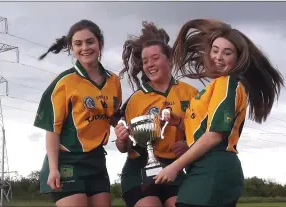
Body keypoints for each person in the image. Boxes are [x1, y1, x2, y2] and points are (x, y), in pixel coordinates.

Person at [154, 19, 285, 207]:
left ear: (238, 58)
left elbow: (215, 135)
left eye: (227, 52)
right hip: (203, 169)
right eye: (215, 50)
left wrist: (175, 166)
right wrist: (178, 122)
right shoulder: (216, 85)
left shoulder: (228, 83)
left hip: (214, 168)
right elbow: (205, 127)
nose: (218, 57)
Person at [33, 19, 122, 207]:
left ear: (100, 44)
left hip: (97, 160)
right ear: (72, 48)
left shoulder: (114, 81)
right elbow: (52, 129)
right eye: (78, 44)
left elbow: (112, 116)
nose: (85, 48)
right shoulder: (63, 82)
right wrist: (54, 168)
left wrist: (123, 129)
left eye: (90, 42)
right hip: (67, 161)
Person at [114, 21, 198, 207]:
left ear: (169, 59)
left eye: (155, 58)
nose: (149, 65)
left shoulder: (190, 94)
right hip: (140, 169)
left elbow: (202, 134)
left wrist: (188, 145)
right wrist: (122, 141)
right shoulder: (136, 99)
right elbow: (126, 147)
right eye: (145, 61)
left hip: (174, 168)